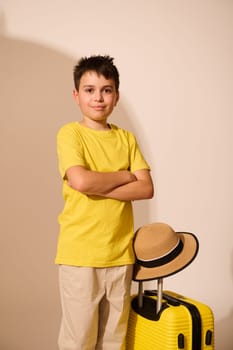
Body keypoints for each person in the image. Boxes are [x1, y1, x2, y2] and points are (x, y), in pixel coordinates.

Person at [55, 55, 154, 350]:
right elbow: (81, 182)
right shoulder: (70, 134)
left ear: (116, 96)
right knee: (79, 341)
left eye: (106, 90)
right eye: (89, 90)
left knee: (114, 340)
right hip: (80, 255)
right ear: (76, 95)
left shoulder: (127, 139)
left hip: (121, 255)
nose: (98, 97)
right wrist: (125, 176)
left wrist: (97, 185)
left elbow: (146, 188)